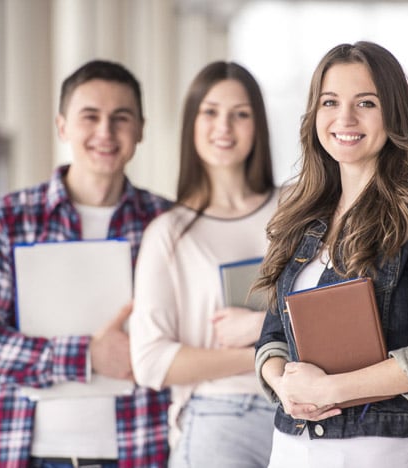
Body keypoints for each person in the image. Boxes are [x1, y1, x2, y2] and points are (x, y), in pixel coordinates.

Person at [253, 41, 408, 468]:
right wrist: (284, 385)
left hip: (374, 450)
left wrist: (329, 391)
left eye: (365, 102)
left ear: (392, 113)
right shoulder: (302, 214)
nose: (345, 118)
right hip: (291, 446)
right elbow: (273, 336)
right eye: (330, 102)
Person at [0, 60, 172, 468]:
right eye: (90, 116)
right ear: (62, 126)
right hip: (34, 454)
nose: (105, 132)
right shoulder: (10, 219)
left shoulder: (168, 223)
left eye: (120, 118)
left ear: (140, 128)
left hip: (143, 451)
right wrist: (86, 355)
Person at [129, 61, 278, 468]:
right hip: (220, 416)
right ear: (191, 122)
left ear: (258, 125)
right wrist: (269, 352)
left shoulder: (295, 209)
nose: (224, 127)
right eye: (210, 112)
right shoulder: (169, 233)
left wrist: (264, 334)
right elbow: (151, 361)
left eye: (240, 114)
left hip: (304, 413)